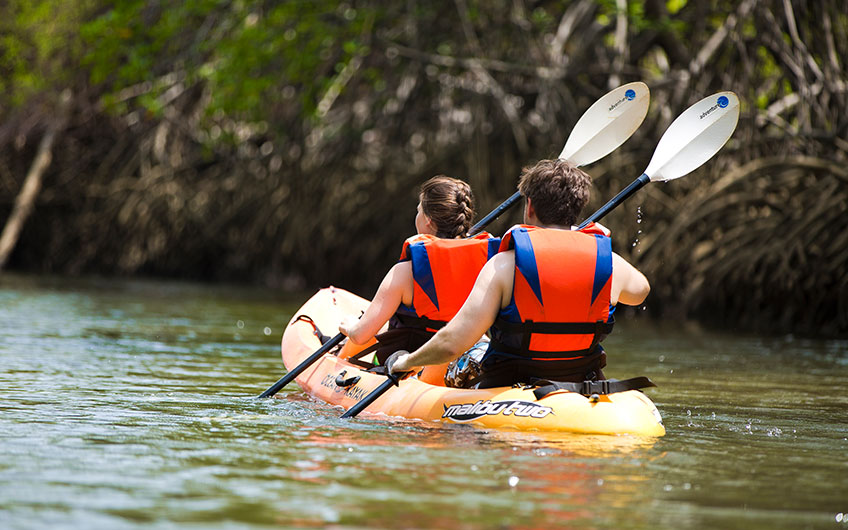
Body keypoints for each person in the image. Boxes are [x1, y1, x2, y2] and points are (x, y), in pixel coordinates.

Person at [385, 158, 650, 389]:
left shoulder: (504, 267)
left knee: (455, 359)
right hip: (580, 379)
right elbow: (641, 292)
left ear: (530, 207)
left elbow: (454, 341)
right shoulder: (610, 264)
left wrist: (405, 362)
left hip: (509, 383)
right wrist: (585, 244)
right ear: (578, 207)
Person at [338, 175, 499, 385]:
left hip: (401, 367)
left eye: (418, 211)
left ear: (428, 220)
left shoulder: (405, 272)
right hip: (453, 368)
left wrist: (349, 326)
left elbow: (360, 336)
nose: (417, 216)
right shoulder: (489, 267)